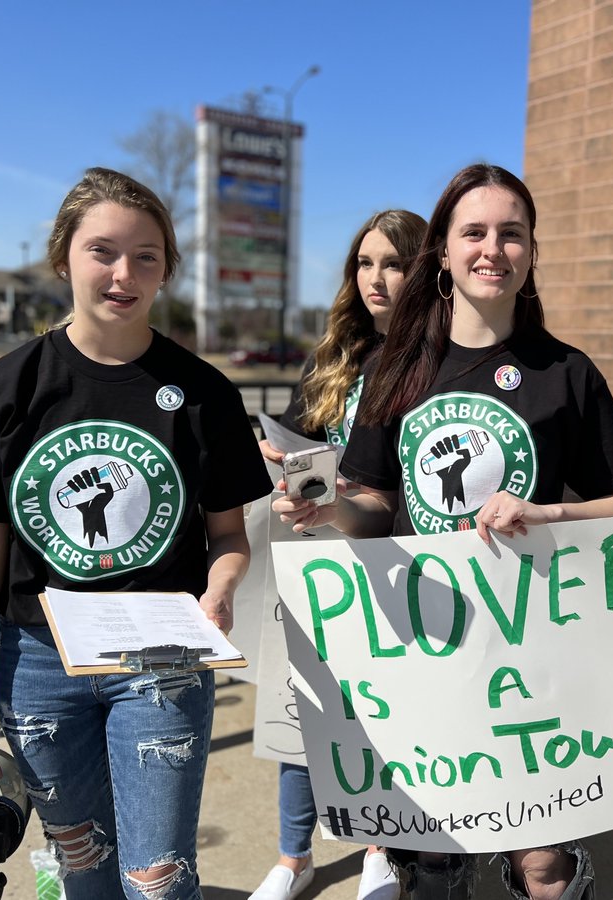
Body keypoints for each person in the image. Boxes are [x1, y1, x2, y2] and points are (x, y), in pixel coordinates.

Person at [275, 164, 613, 900]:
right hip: (425, 645)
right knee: (436, 867)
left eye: (512, 234)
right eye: (472, 232)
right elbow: (378, 501)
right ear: (442, 254)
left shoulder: (567, 373)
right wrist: (332, 510)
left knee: (542, 864)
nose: (493, 249)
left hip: (533, 650)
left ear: (532, 251)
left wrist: (548, 513)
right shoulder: (396, 367)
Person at [0, 167, 271, 900]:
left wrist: (222, 583)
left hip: (162, 658)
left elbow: (230, 538)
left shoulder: (205, 394)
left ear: (168, 271)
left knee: (155, 877)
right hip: (37, 664)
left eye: (147, 256)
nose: (124, 273)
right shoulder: (6, 389)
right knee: (81, 867)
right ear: (63, 258)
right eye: (102, 251)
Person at [250, 209, 426, 900]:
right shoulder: (337, 356)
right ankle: (295, 857)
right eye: (365, 262)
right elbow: (295, 439)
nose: (377, 278)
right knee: (303, 710)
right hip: (324, 557)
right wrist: (280, 459)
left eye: (395, 263)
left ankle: (380, 844)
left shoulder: (438, 361)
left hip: (404, 561)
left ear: (425, 271)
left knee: (387, 715)